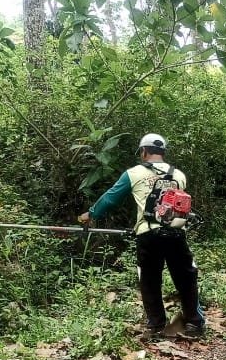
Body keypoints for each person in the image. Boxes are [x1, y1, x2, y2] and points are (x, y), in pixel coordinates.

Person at [78, 133, 206, 338]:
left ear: (143, 151)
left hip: (148, 234)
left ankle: (155, 325)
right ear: (163, 152)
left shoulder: (133, 173)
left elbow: (110, 199)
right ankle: (194, 324)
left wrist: (90, 214)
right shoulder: (179, 175)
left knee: (149, 279)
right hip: (176, 233)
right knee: (185, 277)